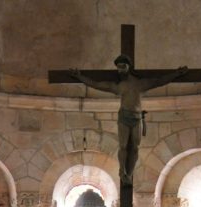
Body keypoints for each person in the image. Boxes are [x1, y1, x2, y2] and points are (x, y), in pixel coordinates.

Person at [70, 56, 189, 186]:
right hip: (124, 117)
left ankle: (129, 174)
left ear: (129, 67)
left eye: (123, 66)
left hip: (137, 118)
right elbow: (96, 84)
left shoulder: (140, 84)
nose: (120, 70)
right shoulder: (118, 86)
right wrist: (80, 77)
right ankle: (122, 172)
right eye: (118, 67)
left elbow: (159, 81)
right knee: (123, 146)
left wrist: (176, 74)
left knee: (135, 148)